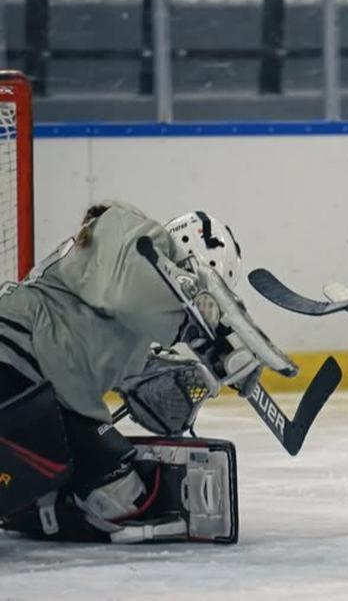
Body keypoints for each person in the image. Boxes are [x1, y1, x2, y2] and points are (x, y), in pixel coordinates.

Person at [0, 201, 291, 543]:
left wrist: (185, 389)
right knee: (113, 492)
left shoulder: (130, 328)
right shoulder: (127, 229)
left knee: (120, 497)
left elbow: (147, 391)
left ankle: (38, 505)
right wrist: (199, 328)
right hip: (16, 362)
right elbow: (133, 286)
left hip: (45, 389)